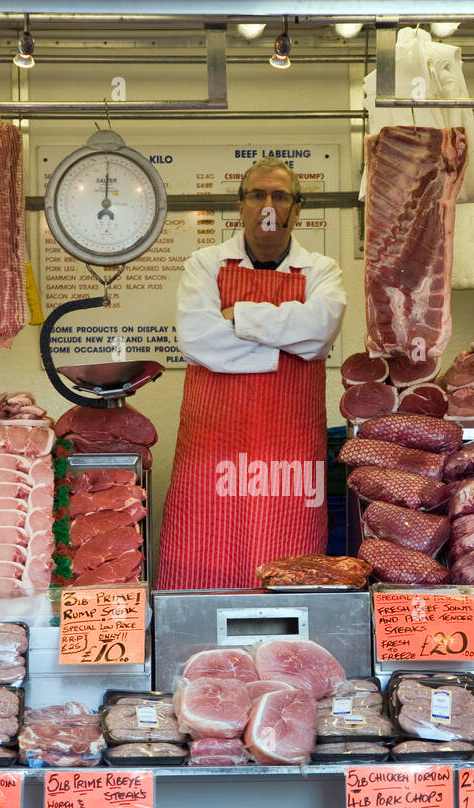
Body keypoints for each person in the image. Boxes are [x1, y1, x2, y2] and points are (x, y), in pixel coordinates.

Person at [157, 158, 347, 589]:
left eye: (279, 196)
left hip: (290, 453)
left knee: (290, 563)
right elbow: (196, 339)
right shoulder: (204, 264)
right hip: (211, 448)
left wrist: (237, 317)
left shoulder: (322, 270)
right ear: (240, 207)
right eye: (257, 194)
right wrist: (285, 340)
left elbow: (318, 334)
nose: (267, 204)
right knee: (199, 556)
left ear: (297, 210)